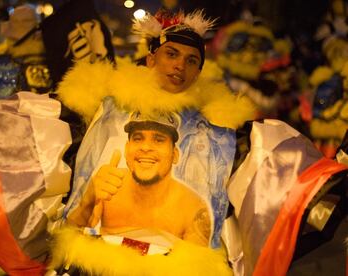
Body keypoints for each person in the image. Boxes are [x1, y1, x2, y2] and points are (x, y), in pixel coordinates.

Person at [48, 8, 347, 276]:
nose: (181, 65)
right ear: (152, 57)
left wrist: (327, 177)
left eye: (192, 60)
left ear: (175, 153)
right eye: (172, 54)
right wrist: (89, 197)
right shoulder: (103, 109)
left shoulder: (220, 131)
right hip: (94, 266)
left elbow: (275, 172)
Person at [68, 112, 211, 247]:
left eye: (158, 140)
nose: (146, 147)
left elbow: (197, 268)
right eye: (138, 138)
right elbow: (67, 241)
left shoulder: (194, 209)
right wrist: (88, 201)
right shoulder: (108, 185)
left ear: (175, 155)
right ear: (126, 149)